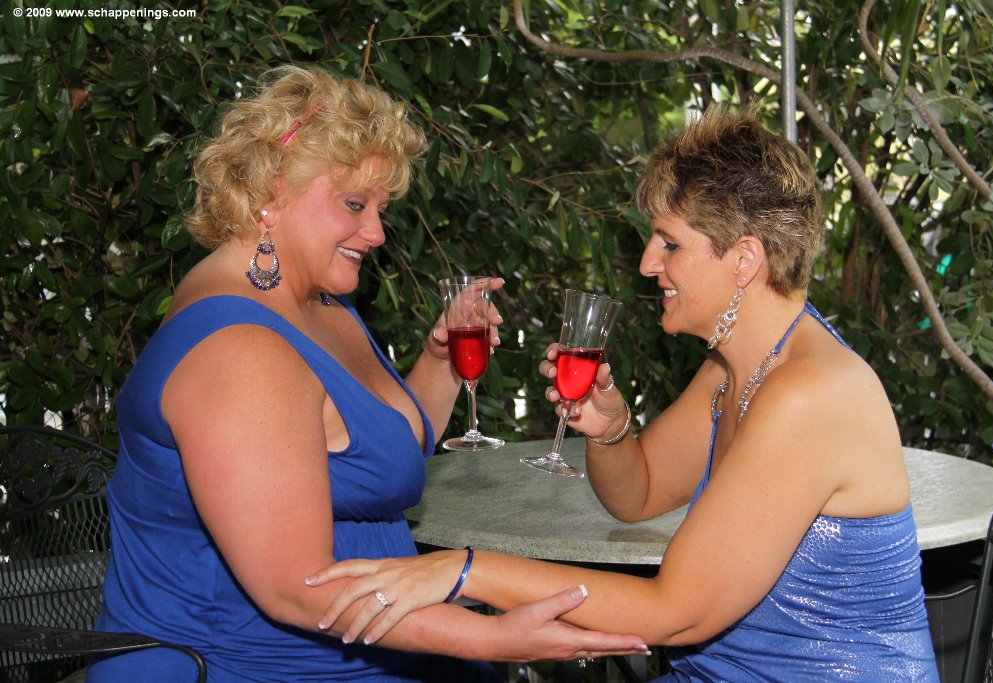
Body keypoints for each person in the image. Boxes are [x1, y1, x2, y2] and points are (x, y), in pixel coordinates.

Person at [307, 104, 941, 681]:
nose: (646, 263)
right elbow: (638, 496)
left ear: (745, 260)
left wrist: (463, 568)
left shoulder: (810, 393)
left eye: (670, 243)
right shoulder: (735, 369)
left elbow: (674, 613)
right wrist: (611, 432)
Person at [87, 65, 648, 682]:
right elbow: (298, 588)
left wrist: (440, 362)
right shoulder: (239, 349)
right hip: (256, 666)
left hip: (377, 643)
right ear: (271, 191)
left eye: (382, 208)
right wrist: (492, 637)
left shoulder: (321, 304)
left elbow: (379, 454)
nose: (377, 233)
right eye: (355, 204)